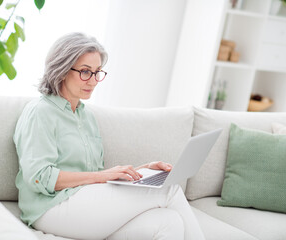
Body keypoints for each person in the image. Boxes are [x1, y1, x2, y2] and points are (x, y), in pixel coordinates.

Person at [14, 32, 205, 240]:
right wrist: (103, 176)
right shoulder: (40, 112)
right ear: (61, 70)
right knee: (170, 190)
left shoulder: (86, 117)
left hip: (85, 202)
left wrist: (142, 171)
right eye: (85, 72)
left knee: (168, 221)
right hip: (50, 208)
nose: (93, 81)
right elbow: (39, 178)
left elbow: (93, 176)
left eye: (97, 72)